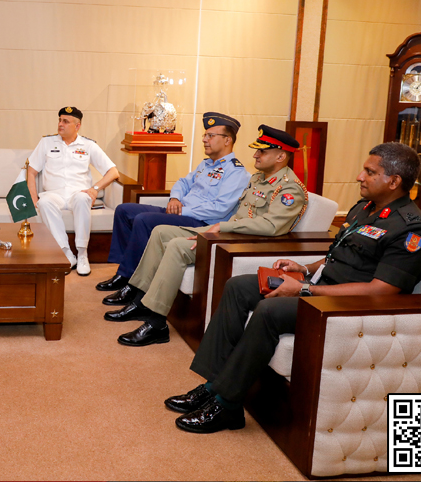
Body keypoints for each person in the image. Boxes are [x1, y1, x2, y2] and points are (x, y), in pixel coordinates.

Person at [170, 142, 421, 433]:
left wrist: (305, 290)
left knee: (269, 309)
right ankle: (212, 386)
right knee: (238, 287)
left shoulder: (412, 229)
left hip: (347, 308)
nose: (360, 176)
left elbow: (382, 290)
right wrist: (304, 270)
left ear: (394, 181)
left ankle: (227, 404)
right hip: (321, 288)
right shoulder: (365, 209)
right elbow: (341, 256)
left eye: (370, 172)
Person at [106, 125, 307, 347]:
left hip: (242, 242)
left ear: (280, 156)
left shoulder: (290, 189)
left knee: (176, 246)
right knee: (160, 231)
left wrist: (224, 227)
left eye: (262, 151)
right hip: (228, 232)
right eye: (256, 150)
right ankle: (140, 299)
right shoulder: (259, 178)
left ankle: (156, 324)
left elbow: (270, 226)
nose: (255, 155)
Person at [98, 112, 251, 300]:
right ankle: (124, 273)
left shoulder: (236, 172)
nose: (204, 140)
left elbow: (220, 208)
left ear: (227, 140)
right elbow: (182, 183)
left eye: (210, 135)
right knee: (124, 210)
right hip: (180, 211)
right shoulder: (206, 165)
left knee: (143, 220)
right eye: (205, 135)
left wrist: (182, 210)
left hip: (199, 222)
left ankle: (132, 283)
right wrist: (175, 199)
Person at [27, 106, 119, 276]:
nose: (60, 124)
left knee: (84, 198)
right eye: (59, 120)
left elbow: (113, 172)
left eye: (65, 121)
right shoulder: (46, 143)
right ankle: (66, 253)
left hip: (78, 194)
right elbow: (31, 171)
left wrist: (95, 189)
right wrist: (33, 199)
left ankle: (83, 254)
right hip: (54, 194)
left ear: (77, 126)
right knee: (44, 201)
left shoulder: (88, 145)